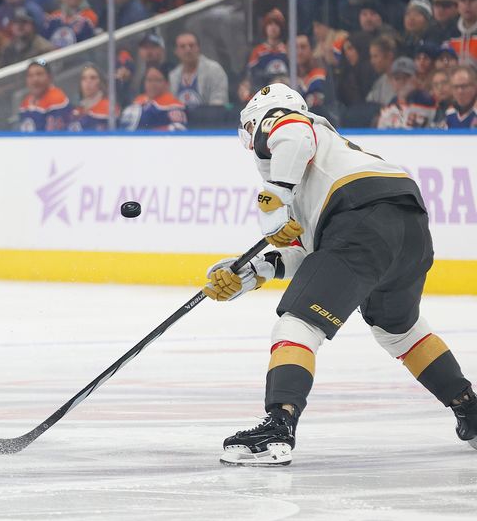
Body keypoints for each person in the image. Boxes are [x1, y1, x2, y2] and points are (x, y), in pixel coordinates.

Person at [203, 83, 477, 466]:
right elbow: (313, 256)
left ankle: (278, 427)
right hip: (407, 225)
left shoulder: (287, 124)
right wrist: (251, 272)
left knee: (297, 323)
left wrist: (274, 201)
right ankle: (470, 409)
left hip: (361, 218)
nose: (253, 144)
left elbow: (291, 133)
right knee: (399, 330)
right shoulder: (320, 170)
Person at [168, 32, 228, 107]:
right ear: (176, 51)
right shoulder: (172, 76)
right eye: (183, 46)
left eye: (191, 45)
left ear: (198, 48)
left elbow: (219, 103)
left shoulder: (214, 70)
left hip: (208, 118)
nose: (188, 50)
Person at [120, 64, 186, 131]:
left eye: (157, 80)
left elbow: (179, 129)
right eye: (149, 80)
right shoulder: (138, 100)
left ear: (167, 84)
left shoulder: (173, 105)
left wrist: (151, 133)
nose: (152, 84)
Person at [18, 59, 70, 131]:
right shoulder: (25, 103)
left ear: (49, 77)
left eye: (39, 74)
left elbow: (54, 138)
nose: (35, 79)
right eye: (30, 75)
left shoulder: (57, 99)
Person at [69, 64, 114, 131]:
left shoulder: (109, 109)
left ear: (101, 82)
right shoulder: (76, 111)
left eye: (93, 78)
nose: (88, 81)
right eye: (84, 78)